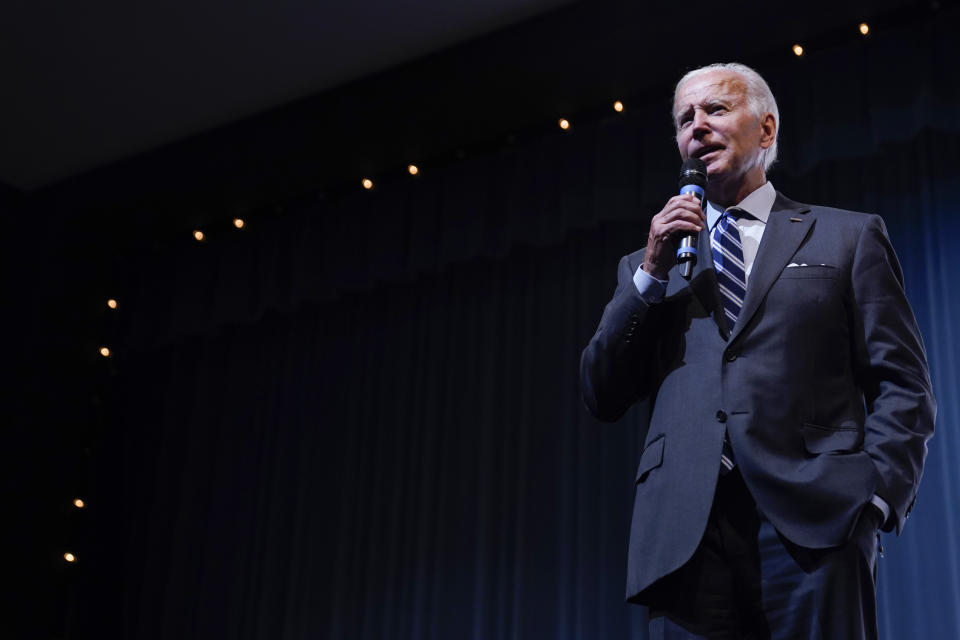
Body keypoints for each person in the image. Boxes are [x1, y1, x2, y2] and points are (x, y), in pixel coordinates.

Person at [580, 62, 936, 639]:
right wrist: (650, 272)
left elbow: (904, 385)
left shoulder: (845, 236)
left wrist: (872, 500)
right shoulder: (652, 264)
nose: (696, 127)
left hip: (816, 524)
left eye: (715, 110)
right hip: (684, 536)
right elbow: (601, 392)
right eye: (684, 119)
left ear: (766, 130)